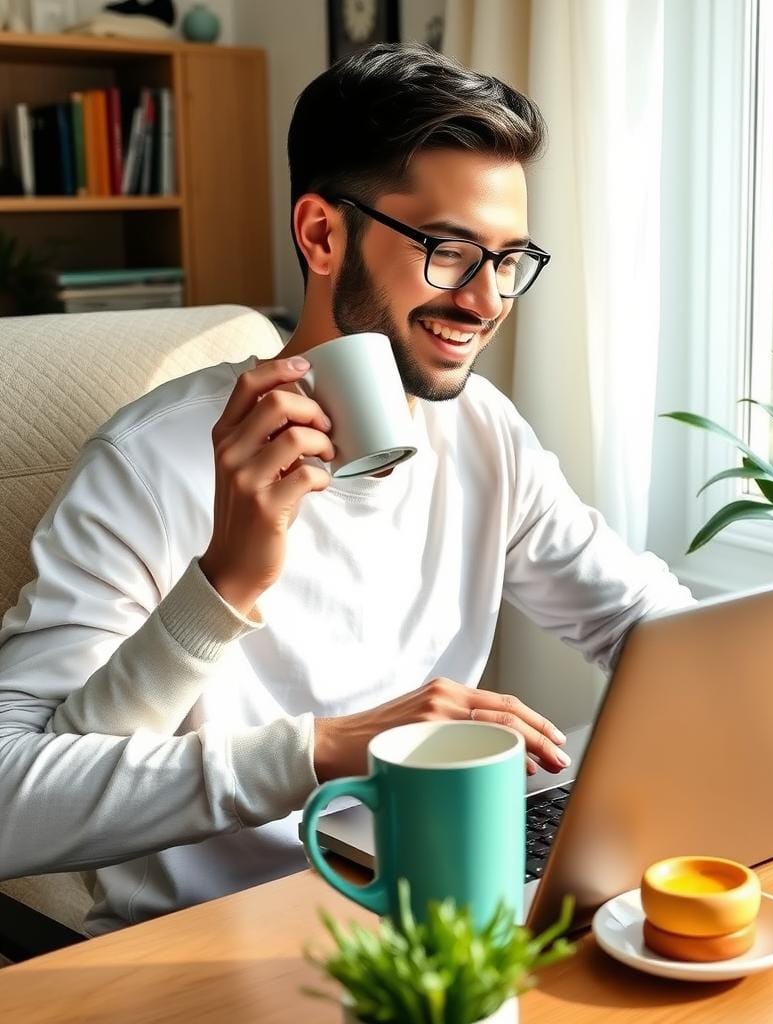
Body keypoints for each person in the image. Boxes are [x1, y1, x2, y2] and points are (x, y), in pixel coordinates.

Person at [0, 45, 693, 936]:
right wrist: (252, 635)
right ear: (323, 234)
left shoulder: (483, 429)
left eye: (509, 257)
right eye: (449, 251)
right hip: (216, 945)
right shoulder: (149, 465)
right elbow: (11, 800)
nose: (486, 300)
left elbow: (651, 629)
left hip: (428, 915)